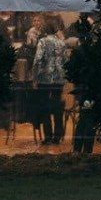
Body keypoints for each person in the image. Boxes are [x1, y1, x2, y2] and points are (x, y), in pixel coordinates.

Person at [31, 15, 71, 145]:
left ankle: (48, 136)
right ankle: (57, 136)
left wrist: (35, 77)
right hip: (58, 79)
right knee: (57, 106)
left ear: (45, 30)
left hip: (44, 79)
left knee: (45, 106)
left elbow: (37, 60)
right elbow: (66, 60)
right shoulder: (61, 43)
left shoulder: (42, 42)